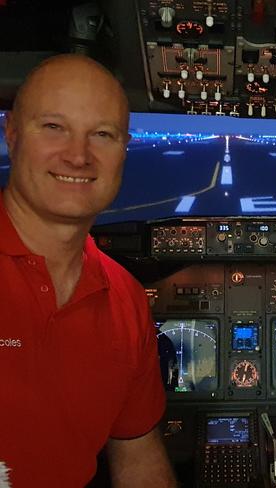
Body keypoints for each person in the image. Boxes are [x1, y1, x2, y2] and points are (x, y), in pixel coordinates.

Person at [0, 54, 176, 487]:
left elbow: (138, 460)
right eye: (54, 127)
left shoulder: (126, 298)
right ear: (12, 133)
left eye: (102, 134)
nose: (78, 156)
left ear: (124, 150)